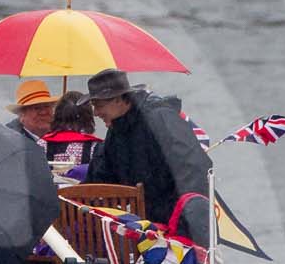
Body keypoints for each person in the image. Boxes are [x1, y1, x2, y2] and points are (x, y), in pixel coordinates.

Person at [81, 68, 213, 242]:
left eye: (98, 105)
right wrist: (74, 199)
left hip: (182, 229)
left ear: (120, 99)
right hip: (148, 228)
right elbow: (102, 179)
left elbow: (196, 170)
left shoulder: (161, 118)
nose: (96, 113)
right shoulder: (116, 132)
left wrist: (179, 225)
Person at [5, 79, 56, 150]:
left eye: (47, 106)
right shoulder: (10, 143)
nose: (43, 112)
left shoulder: (64, 136)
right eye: (36, 108)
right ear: (22, 115)